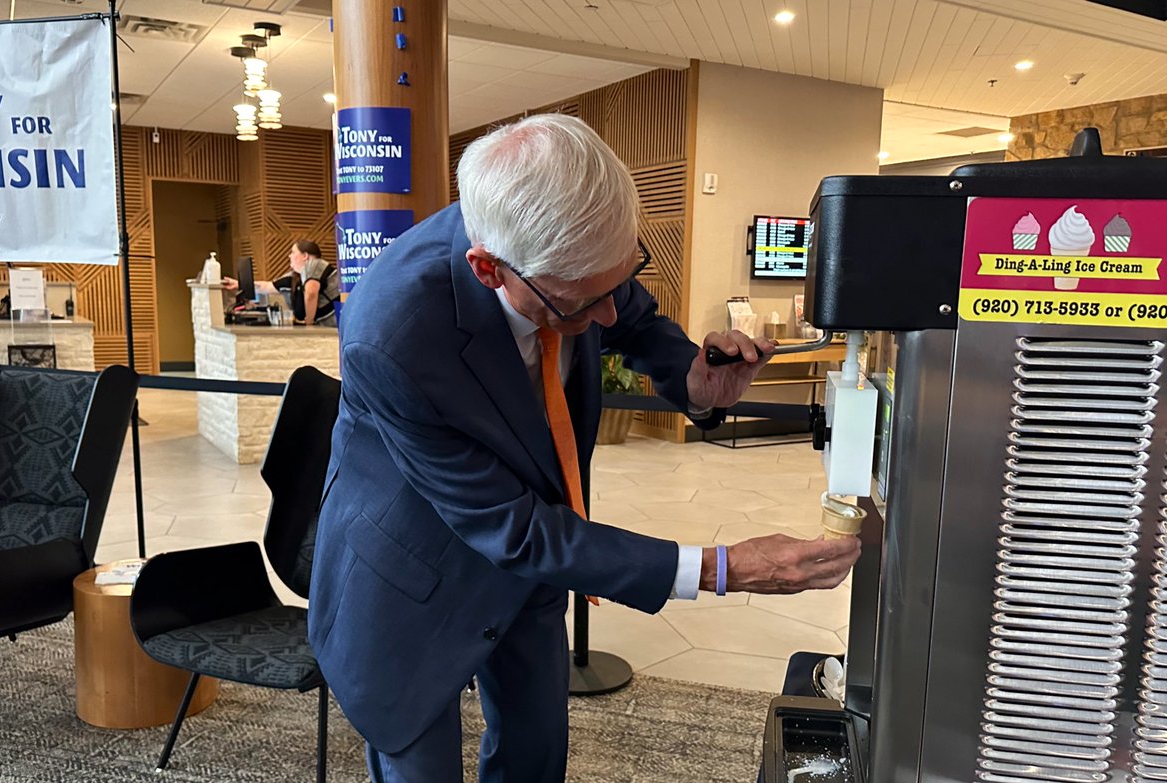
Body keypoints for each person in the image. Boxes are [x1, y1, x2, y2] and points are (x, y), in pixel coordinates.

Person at [308, 114, 860, 783]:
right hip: (412, 572)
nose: (604, 317)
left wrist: (697, 378)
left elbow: (631, 316)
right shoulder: (392, 335)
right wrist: (722, 567)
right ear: (489, 270)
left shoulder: (565, 238)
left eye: (618, 279)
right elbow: (515, 528)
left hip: (532, 558)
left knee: (536, 755)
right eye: (581, 303)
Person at [285, 240, 340, 326]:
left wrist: (309, 321)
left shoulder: (313, 264)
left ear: (305, 256)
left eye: (293, 252)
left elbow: (311, 293)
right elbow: (266, 286)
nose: (289, 256)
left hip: (335, 326)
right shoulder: (302, 274)